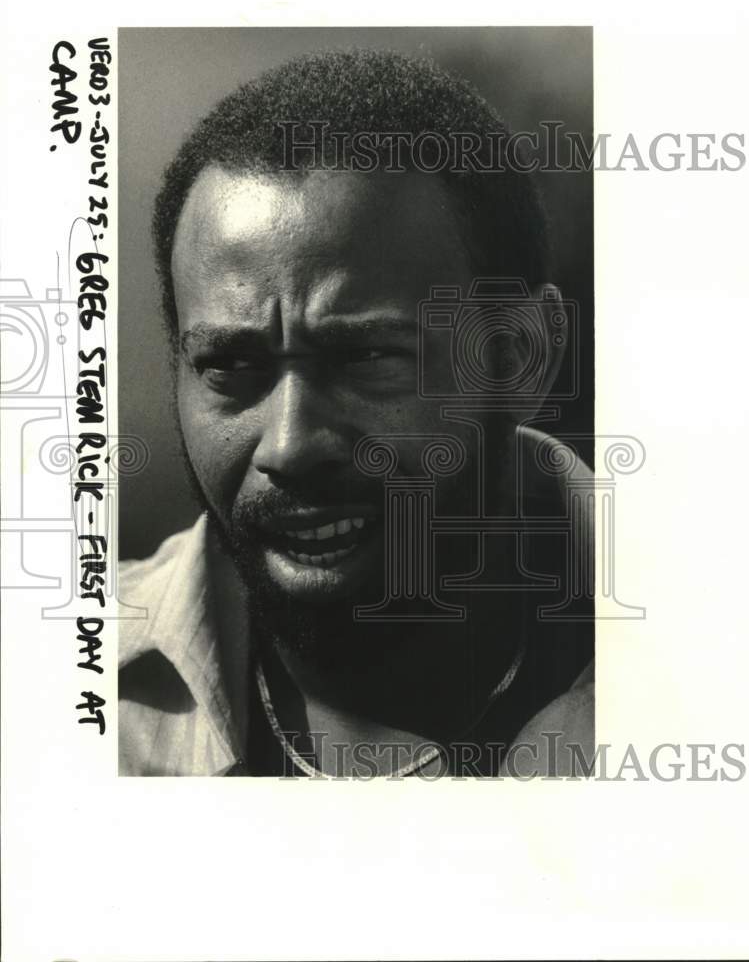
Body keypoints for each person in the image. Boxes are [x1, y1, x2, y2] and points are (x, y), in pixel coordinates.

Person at [119, 49, 594, 778]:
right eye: (231, 368)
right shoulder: (62, 695)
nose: (289, 444)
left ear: (519, 356)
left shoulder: (724, 648)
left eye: (365, 359)